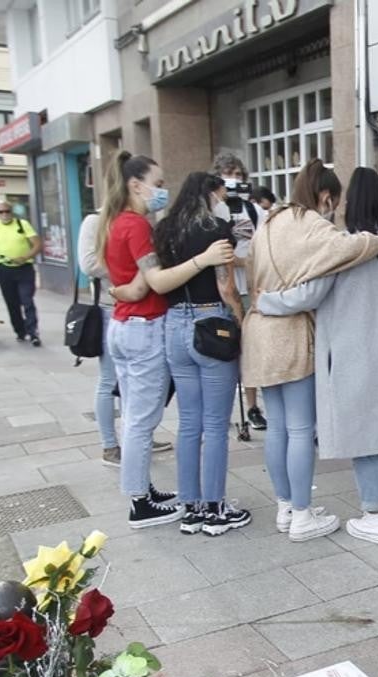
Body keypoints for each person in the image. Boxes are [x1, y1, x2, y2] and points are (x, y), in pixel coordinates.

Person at [244, 159, 378, 542]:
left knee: (288, 428)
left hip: (279, 337)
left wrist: (263, 302)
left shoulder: (273, 225)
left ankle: (294, 509)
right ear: (325, 195)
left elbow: (309, 291)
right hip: (375, 350)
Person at [95, 151, 232, 529]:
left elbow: (114, 280)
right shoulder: (136, 225)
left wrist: (126, 290)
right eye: (157, 184)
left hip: (123, 325)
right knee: (142, 419)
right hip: (144, 327)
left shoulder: (114, 223)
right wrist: (201, 260)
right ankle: (139, 501)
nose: (162, 191)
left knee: (143, 416)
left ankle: (145, 489)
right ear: (135, 185)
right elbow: (155, 282)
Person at [150, 172, 252, 537]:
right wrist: (241, 321)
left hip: (174, 326)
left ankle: (190, 507)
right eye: (222, 192)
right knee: (215, 425)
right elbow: (226, 286)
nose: (224, 198)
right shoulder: (217, 229)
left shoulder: (164, 231)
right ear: (211, 193)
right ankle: (215, 507)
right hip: (212, 325)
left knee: (189, 423)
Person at [76, 210, 172, 469]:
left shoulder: (140, 220)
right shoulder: (96, 221)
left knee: (134, 390)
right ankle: (110, 445)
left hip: (136, 306)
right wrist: (133, 262)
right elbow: (87, 264)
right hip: (112, 307)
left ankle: (138, 440)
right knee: (110, 381)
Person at [210, 151, 268, 432]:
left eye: (238, 175)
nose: (234, 181)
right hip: (223, 287)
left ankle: (253, 405)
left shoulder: (254, 211)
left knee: (252, 348)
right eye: (228, 175)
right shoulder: (214, 209)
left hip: (252, 286)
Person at [0, 200, 43, 346]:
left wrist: (25, 257)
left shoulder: (22, 225)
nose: (4, 214)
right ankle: (20, 331)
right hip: (4, 269)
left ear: (12, 212)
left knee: (27, 300)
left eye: (7, 211)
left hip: (24, 268)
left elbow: (37, 244)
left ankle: (33, 332)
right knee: (12, 304)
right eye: (1, 212)